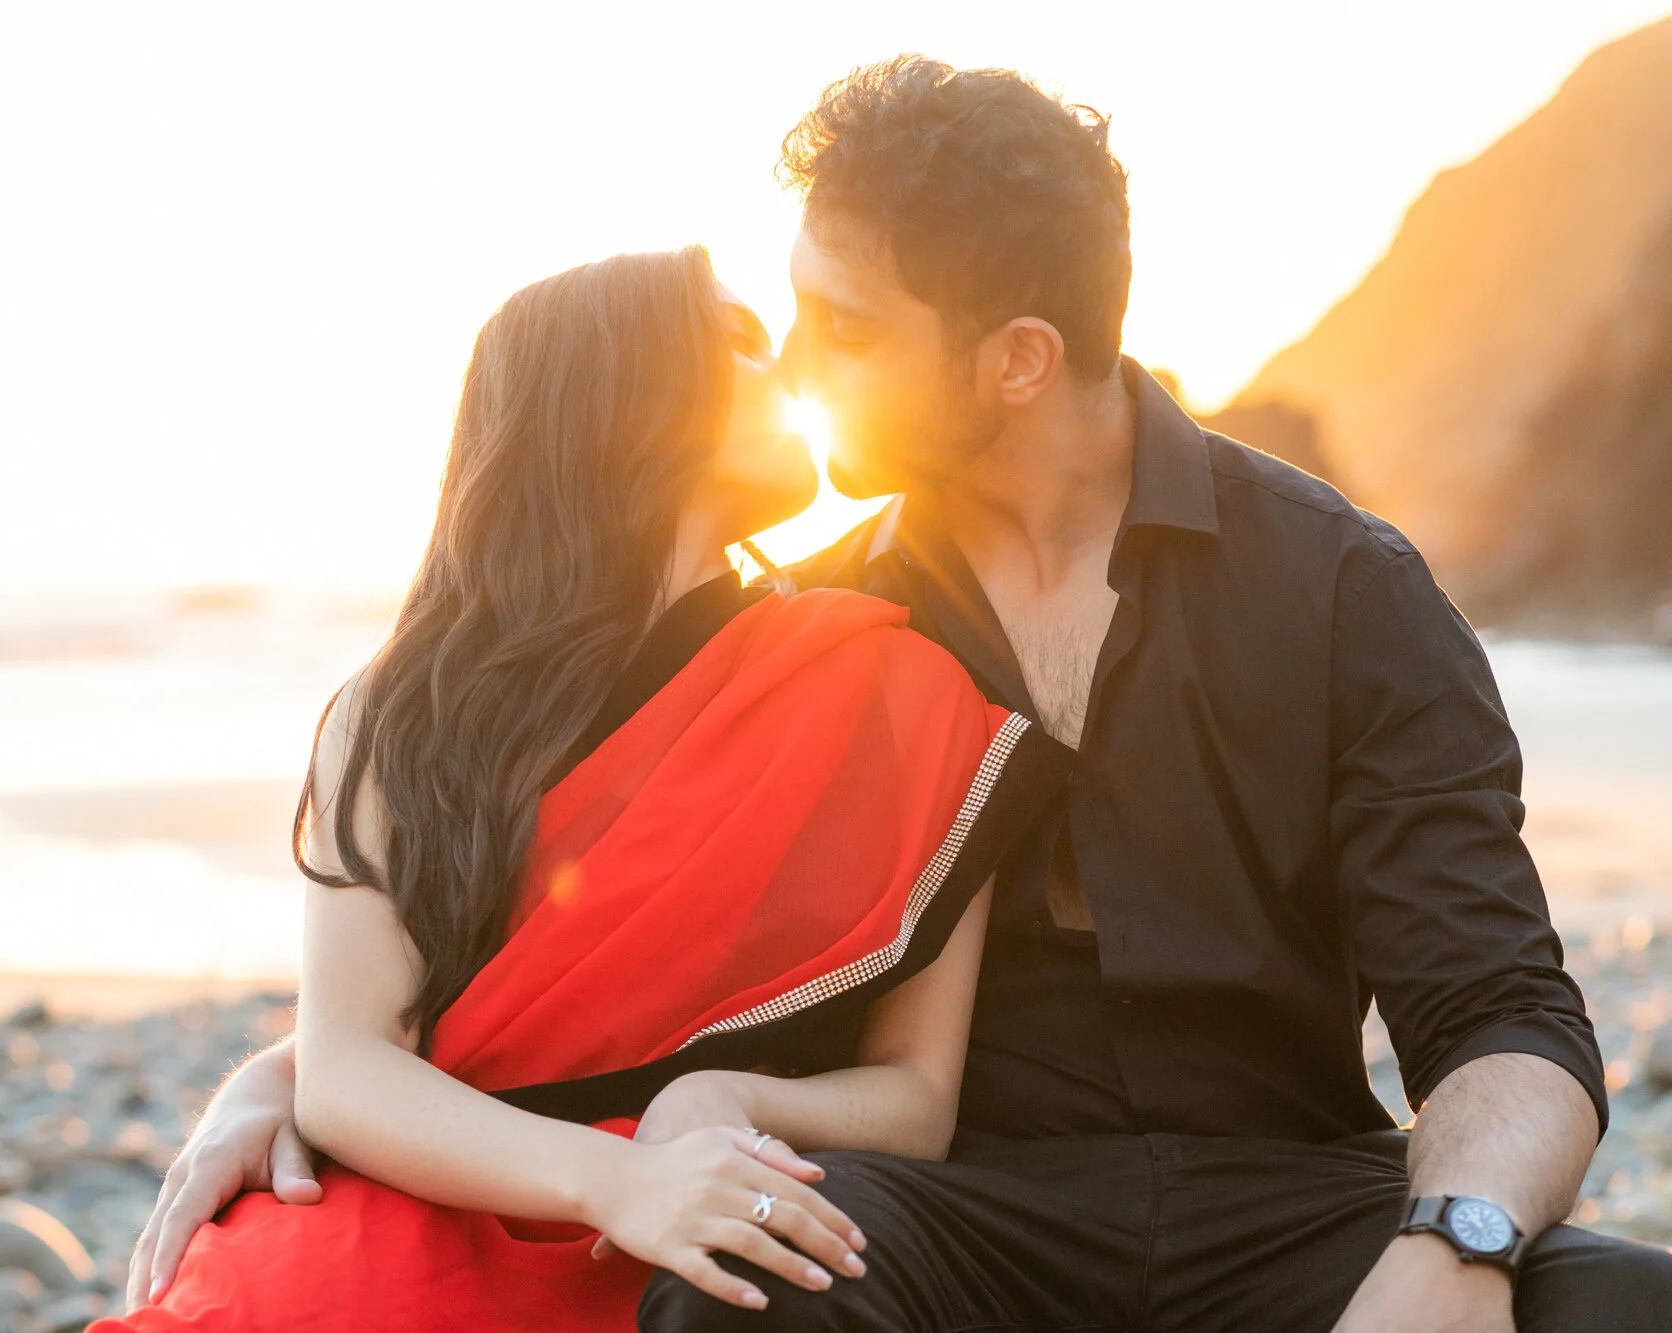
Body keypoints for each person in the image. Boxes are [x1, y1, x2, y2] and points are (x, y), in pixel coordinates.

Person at [135, 60, 1672, 1331]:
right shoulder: (814, 630)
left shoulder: (1345, 589)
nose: (794, 366)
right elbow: (590, 942)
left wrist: (1456, 1245)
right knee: (748, 1281)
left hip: (1291, 1206)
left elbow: (1505, 1013)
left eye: (843, 330)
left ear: (1016, 361)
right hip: (944, 1226)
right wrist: (287, 1072)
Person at [94, 245, 1069, 1332]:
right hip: (444, 1183)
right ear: (627, 399)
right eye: (738, 340)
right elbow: (354, 1065)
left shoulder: (894, 693)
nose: (787, 364)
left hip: (702, 1202)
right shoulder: (403, 708)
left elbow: (915, 1098)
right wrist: (609, 1183)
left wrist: (728, 1105)